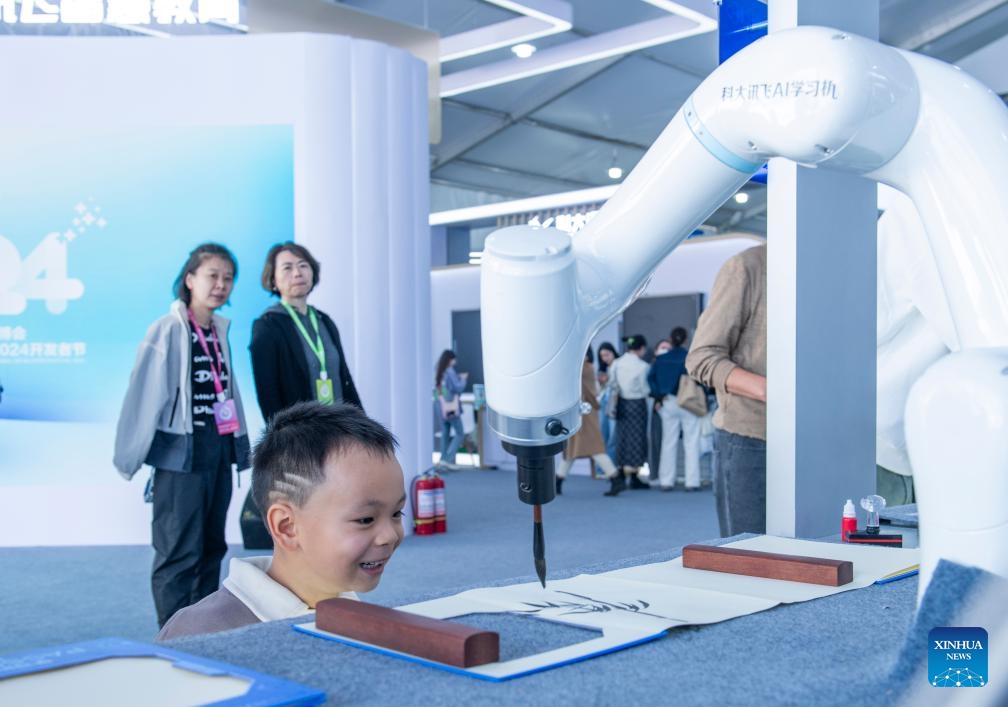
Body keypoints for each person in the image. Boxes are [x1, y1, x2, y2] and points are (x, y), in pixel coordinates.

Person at [156, 401, 406, 640]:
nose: (390, 535)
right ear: (287, 526)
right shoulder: (196, 636)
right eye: (365, 519)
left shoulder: (352, 613)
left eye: (397, 513)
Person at [113, 242, 252, 628]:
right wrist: (129, 456)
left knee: (212, 548)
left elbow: (229, 391)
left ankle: (200, 631)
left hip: (219, 453)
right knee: (178, 553)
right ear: (190, 279)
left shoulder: (219, 330)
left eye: (228, 278)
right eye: (212, 275)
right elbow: (143, 396)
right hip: (180, 457)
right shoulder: (168, 329)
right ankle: (173, 635)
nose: (221, 285)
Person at [686, 243, 767, 536]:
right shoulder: (748, 267)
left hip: (819, 439)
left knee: (819, 557)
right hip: (752, 438)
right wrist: (772, 391)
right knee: (750, 557)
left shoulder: (834, 270)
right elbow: (701, 357)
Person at [250, 242, 362, 424]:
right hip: (301, 438)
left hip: (341, 430)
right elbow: (268, 394)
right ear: (273, 280)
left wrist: (363, 426)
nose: (297, 273)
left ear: (312, 272)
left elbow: (345, 379)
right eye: (287, 268)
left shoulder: (324, 321)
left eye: (303, 265)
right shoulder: (267, 326)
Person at [555, 347, 622, 497]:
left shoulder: (582, 369)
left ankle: (615, 477)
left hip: (582, 413)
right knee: (576, 448)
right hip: (583, 412)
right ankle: (558, 480)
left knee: (590, 448)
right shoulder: (586, 368)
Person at [649, 328, 702, 491]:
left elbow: (650, 379)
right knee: (691, 442)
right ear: (686, 340)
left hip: (668, 402)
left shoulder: (661, 360)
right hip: (688, 402)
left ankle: (666, 481)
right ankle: (692, 482)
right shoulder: (690, 358)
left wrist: (658, 396)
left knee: (668, 441)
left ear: (671, 340)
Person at [608, 334, 651, 490]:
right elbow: (646, 388)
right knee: (637, 438)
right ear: (641, 348)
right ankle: (634, 475)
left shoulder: (617, 364)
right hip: (638, 404)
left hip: (622, 403)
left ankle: (620, 470)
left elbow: (612, 383)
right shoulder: (643, 366)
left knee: (622, 436)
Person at [435, 349, 468, 468]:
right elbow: (458, 388)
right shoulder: (450, 371)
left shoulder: (439, 370)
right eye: (454, 359)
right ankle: (448, 459)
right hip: (451, 407)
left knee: (445, 433)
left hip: (440, 405)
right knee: (460, 433)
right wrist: (463, 379)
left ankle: (443, 459)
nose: (455, 361)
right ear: (450, 359)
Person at [596, 341, 619, 463]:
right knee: (602, 435)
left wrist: (608, 380)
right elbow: (598, 391)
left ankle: (612, 467)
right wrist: (601, 382)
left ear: (613, 352)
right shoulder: (602, 369)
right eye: (602, 356)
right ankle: (602, 468)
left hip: (614, 402)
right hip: (603, 402)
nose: (605, 358)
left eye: (607, 354)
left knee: (613, 437)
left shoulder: (619, 364)